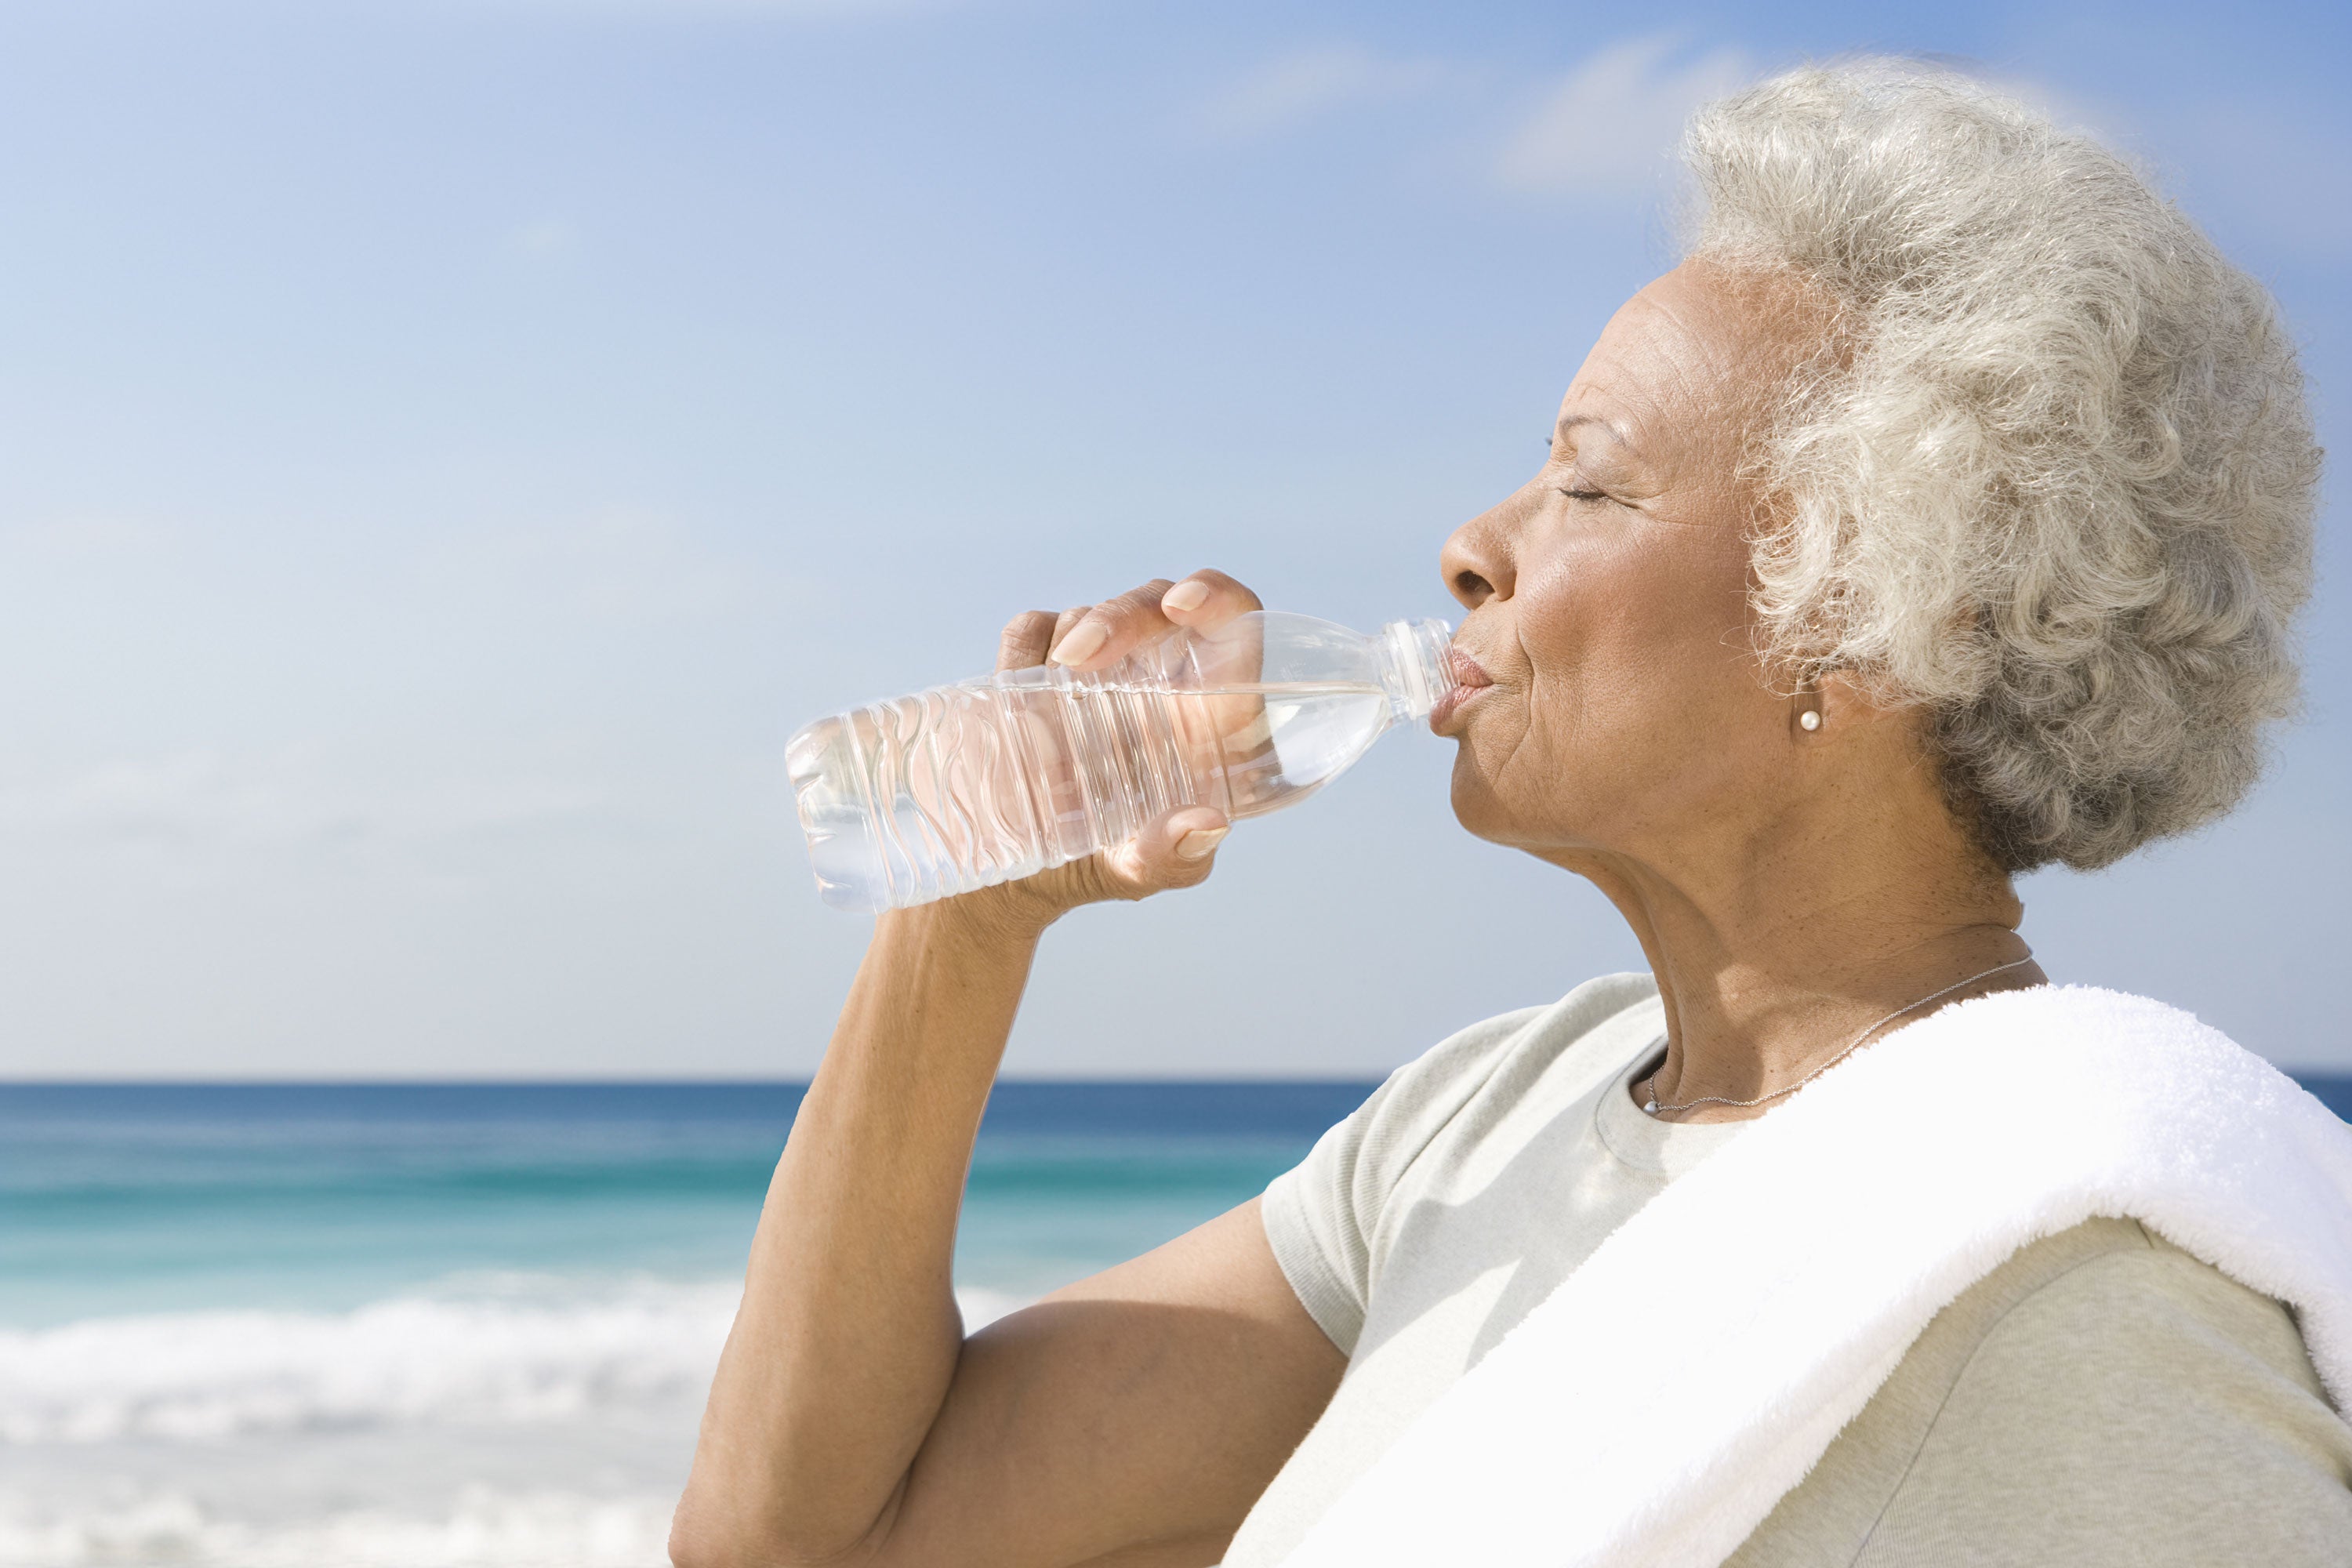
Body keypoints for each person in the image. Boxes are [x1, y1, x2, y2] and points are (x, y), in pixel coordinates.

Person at [671, 60, 2349, 1567]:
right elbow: (814, 1538)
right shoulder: (1495, 1116)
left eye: (1591, 482)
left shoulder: (2078, 1315)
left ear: (1875, 619)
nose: (1474, 542)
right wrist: (967, 910)